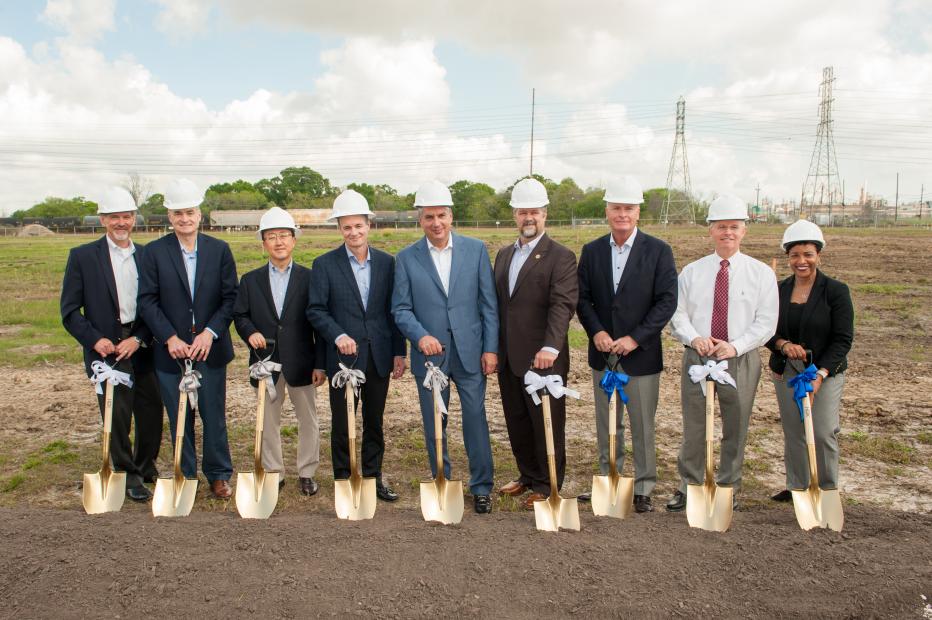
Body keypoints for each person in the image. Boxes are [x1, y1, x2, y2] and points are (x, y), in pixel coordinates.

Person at [391, 180, 499, 514]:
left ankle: (481, 486)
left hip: (470, 351)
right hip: (430, 358)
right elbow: (400, 308)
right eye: (428, 217)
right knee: (434, 421)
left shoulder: (476, 249)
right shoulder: (406, 258)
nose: (436, 223)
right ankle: (441, 479)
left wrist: (491, 348)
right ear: (420, 220)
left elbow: (488, 304)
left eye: (441, 216)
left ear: (451, 216)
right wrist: (420, 335)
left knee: (476, 419)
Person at [667, 194, 778, 512]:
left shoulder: (760, 274)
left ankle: (728, 485)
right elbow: (678, 313)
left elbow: (767, 321)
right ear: (711, 231)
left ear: (744, 231)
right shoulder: (692, 272)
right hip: (698, 357)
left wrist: (736, 345)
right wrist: (694, 338)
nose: (727, 232)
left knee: (735, 424)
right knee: (695, 425)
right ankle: (690, 486)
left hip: (740, 359)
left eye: (733, 226)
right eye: (721, 227)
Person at [576, 176, 678, 513]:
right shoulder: (591, 251)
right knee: (608, 422)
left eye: (629, 208)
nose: (622, 214)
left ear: (638, 212)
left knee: (642, 423)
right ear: (607, 211)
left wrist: (636, 337)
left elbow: (666, 301)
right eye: (616, 207)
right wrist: (597, 332)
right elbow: (583, 299)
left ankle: (644, 485)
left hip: (641, 355)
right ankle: (610, 478)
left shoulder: (659, 251)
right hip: (604, 353)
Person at [137, 178, 238, 499]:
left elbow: (230, 298)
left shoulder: (219, 250)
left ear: (200, 214)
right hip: (172, 352)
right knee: (180, 413)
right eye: (178, 213)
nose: (184, 219)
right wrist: (168, 337)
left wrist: (210, 333)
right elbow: (147, 301)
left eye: (190, 212)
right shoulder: (153, 252)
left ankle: (218, 474)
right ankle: (186, 473)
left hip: (210, 349)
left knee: (213, 414)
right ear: (169, 216)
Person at [60, 187, 163, 502]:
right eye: (115, 216)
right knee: (116, 414)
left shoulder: (148, 255)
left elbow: (156, 303)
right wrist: (95, 340)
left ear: (134, 218)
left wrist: (140, 337)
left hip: (142, 342)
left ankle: (146, 466)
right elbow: (69, 311)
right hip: (106, 347)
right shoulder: (83, 257)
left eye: (127, 216)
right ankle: (127, 473)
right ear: (103, 219)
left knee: (150, 411)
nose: (122, 222)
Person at [307, 190, 407, 502]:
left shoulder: (388, 263)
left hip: (378, 355)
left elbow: (395, 311)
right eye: (347, 227)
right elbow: (316, 310)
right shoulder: (324, 265)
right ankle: (343, 475)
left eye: (359, 226)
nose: (354, 233)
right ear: (340, 229)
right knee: (342, 419)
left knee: (374, 420)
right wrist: (338, 335)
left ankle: (373, 475)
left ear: (369, 226)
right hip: (342, 359)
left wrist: (399, 352)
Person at [493, 178, 578, 510]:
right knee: (517, 419)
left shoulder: (561, 257)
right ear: (515, 214)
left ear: (545, 214)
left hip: (544, 357)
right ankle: (527, 475)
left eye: (535, 212)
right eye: (522, 211)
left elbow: (562, 305)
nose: (528, 217)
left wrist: (551, 347)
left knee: (547, 423)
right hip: (509, 355)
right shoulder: (503, 255)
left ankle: (548, 482)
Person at [233, 207, 327, 496]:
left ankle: (307, 472)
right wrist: (251, 333)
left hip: (302, 362)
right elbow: (241, 315)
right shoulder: (250, 280)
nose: (278, 242)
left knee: (308, 420)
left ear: (294, 240)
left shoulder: (310, 278)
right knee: (267, 420)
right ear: (263, 243)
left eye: (284, 236)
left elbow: (319, 323)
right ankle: (274, 471)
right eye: (271, 237)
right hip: (265, 362)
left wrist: (320, 364)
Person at [765, 219, 853, 502]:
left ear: (819, 255)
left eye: (808, 254)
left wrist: (820, 374)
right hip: (787, 371)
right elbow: (766, 330)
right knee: (794, 431)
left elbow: (842, 339)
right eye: (795, 255)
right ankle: (797, 486)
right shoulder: (777, 290)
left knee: (823, 430)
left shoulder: (836, 291)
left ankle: (826, 489)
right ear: (788, 257)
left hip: (825, 371)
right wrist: (783, 344)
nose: (801, 261)